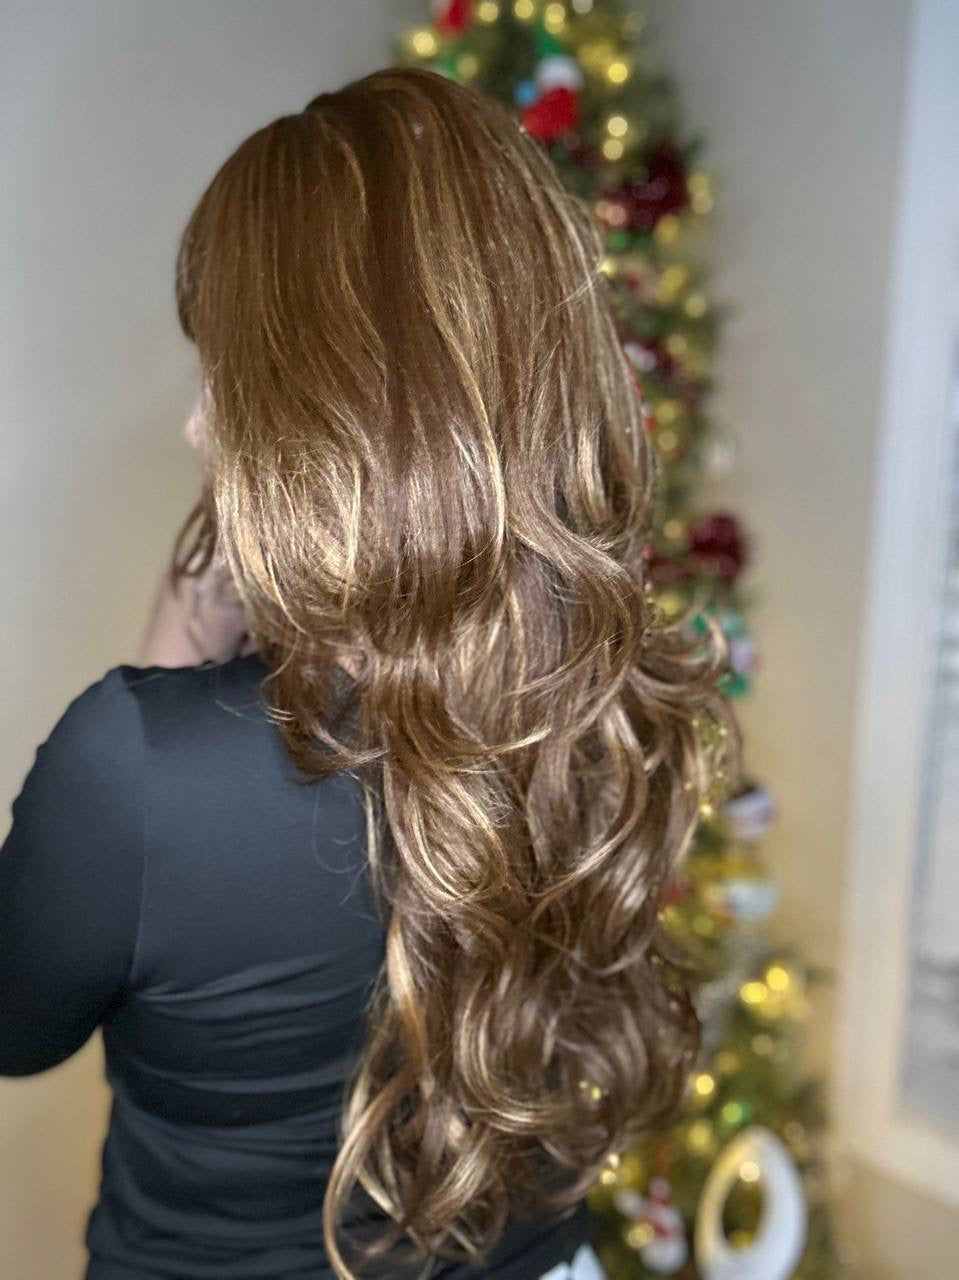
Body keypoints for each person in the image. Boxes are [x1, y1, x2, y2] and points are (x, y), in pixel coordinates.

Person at [0, 66, 741, 1280]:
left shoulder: (134, 769)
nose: (199, 426)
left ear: (337, 406)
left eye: (230, 375)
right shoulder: (609, 694)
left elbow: (14, 1029)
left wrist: (164, 656)